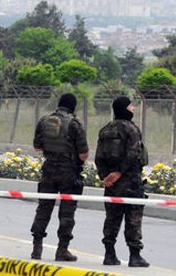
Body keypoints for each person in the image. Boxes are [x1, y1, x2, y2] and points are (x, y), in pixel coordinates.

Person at [30, 93, 89, 261]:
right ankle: (62, 250)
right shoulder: (75, 124)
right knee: (67, 212)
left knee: (43, 208)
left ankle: (37, 248)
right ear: (73, 106)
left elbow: (37, 147)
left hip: (48, 170)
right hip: (69, 172)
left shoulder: (44, 120)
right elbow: (84, 154)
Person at [94, 96, 150, 268]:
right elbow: (133, 154)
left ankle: (109, 254)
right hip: (130, 180)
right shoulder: (131, 129)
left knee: (111, 217)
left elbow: (98, 157)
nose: (133, 109)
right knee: (133, 217)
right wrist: (119, 172)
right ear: (124, 108)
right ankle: (135, 256)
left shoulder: (105, 130)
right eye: (131, 106)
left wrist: (106, 177)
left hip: (111, 184)